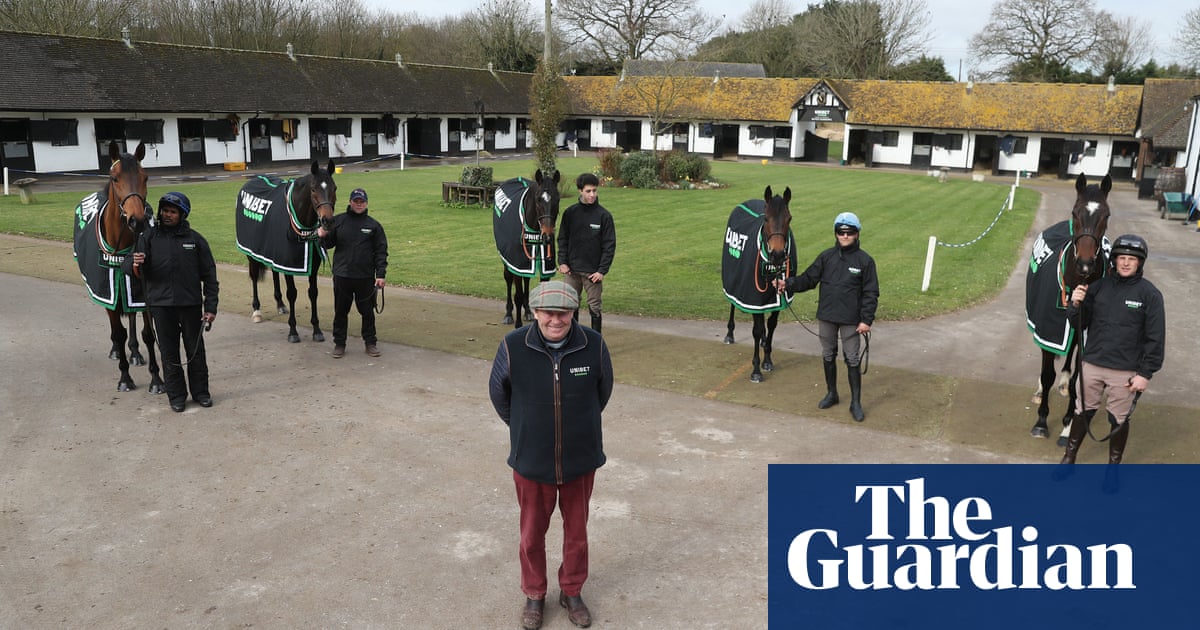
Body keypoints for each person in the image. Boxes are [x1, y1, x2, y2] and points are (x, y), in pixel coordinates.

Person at [488, 281, 613, 630]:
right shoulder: (513, 346)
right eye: (547, 312)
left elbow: (602, 392)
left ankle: (572, 591)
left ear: (574, 312)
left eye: (563, 313)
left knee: (577, 534)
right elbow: (499, 392)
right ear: (535, 313)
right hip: (531, 461)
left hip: (580, 460)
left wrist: (578, 424)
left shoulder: (593, 345)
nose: (555, 320)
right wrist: (525, 426)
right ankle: (534, 594)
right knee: (531, 535)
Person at [1059, 234, 1165, 472]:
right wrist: (1074, 304)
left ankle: (1113, 468)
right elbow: (1078, 323)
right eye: (1121, 258)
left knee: (1118, 419)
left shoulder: (1150, 295)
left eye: (1131, 259)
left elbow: (1156, 338)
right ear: (1114, 261)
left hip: (1126, 371)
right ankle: (1069, 457)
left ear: (1140, 263)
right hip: (1093, 364)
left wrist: (1145, 374)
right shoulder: (1097, 288)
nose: (1126, 263)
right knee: (1082, 411)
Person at [774, 212, 879, 422]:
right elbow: (809, 279)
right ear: (836, 233)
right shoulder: (826, 257)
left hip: (851, 320)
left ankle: (855, 402)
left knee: (852, 358)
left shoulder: (865, 261)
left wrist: (866, 320)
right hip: (827, 316)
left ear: (857, 234)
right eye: (841, 231)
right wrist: (788, 283)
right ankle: (832, 393)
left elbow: (871, 293)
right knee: (828, 354)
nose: (845, 236)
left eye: (850, 232)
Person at [129, 192, 219, 413]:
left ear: (182, 214)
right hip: (161, 307)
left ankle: (201, 393)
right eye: (165, 211)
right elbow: (128, 267)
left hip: (190, 306)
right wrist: (134, 262)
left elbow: (209, 276)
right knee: (169, 354)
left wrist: (211, 308)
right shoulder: (148, 237)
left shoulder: (196, 240)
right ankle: (177, 396)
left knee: (195, 352)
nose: (167, 215)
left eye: (173, 212)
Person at [318, 187, 389, 358]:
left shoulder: (374, 226)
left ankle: (370, 343)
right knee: (341, 311)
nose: (359, 204)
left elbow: (381, 251)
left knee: (367, 312)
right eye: (356, 201)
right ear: (350, 202)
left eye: (362, 201)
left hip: (365, 277)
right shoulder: (338, 221)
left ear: (366, 203)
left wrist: (380, 275)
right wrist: (323, 235)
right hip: (342, 275)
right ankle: (339, 344)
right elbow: (328, 245)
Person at [557, 173, 616, 334]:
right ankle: (572, 340)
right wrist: (562, 262)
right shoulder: (570, 214)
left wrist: (602, 270)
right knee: (570, 305)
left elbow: (609, 245)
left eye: (595, 191)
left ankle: (596, 344)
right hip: (572, 271)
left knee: (594, 308)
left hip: (593, 273)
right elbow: (562, 239)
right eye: (588, 191)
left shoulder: (604, 216)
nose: (592, 195)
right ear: (580, 191)